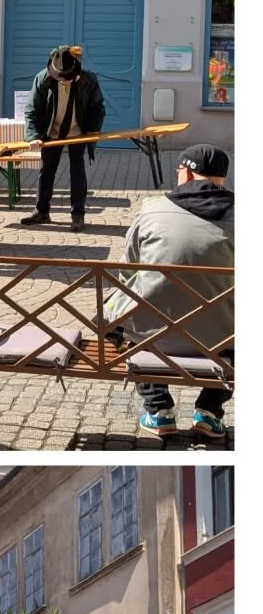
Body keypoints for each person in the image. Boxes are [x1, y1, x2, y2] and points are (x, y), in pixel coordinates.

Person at [103, 144, 234, 438]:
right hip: (220, 343)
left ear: (186, 173)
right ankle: (210, 411)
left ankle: (159, 410)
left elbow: (128, 270)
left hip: (151, 338)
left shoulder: (152, 208)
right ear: (222, 178)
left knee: (130, 303)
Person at [20, 44, 106, 229]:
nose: (64, 81)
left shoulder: (88, 79)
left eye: (67, 78)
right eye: (61, 77)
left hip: (77, 132)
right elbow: (31, 110)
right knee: (47, 169)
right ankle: (42, 211)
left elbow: (97, 107)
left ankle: (78, 214)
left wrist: (92, 130)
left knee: (77, 171)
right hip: (52, 132)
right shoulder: (43, 79)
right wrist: (33, 135)